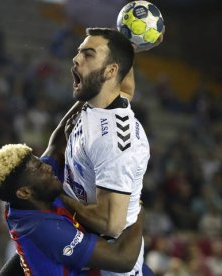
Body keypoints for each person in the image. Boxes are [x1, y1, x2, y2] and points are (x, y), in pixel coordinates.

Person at [61, 27, 163, 275]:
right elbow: (125, 89)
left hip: (107, 267)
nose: (76, 59)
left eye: (88, 54)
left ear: (110, 71)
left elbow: (111, 224)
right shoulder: (101, 102)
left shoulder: (114, 142)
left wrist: (58, 199)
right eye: (78, 52)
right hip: (87, 252)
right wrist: (128, 44)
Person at [0, 143, 144, 275]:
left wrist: (87, 104)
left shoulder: (28, 198)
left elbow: (55, 145)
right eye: (39, 169)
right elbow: (123, 260)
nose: (47, 167)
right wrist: (133, 202)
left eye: (40, 162)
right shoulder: (45, 230)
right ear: (24, 192)